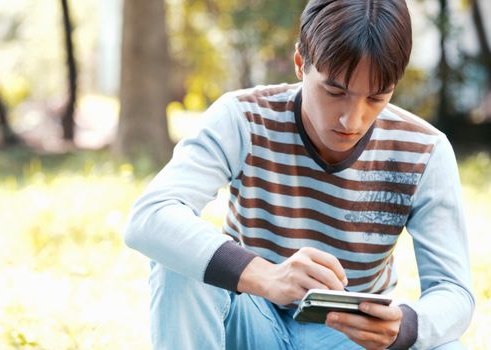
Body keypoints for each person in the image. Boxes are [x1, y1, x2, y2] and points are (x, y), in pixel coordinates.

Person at [124, 1, 474, 349]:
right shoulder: (243, 118)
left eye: (377, 97)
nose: (351, 120)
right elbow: (151, 216)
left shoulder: (424, 151)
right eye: (335, 91)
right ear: (299, 63)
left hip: (347, 339)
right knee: (178, 263)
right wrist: (267, 276)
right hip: (251, 324)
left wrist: (404, 327)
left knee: (443, 344)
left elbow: (454, 292)